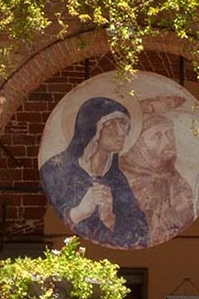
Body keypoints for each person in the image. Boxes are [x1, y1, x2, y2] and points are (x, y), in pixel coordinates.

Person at [39, 95, 148, 249]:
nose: (121, 132)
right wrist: (79, 211)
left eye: (123, 124)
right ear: (93, 129)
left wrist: (110, 218)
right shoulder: (56, 170)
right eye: (111, 124)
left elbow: (141, 234)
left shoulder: (117, 180)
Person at [121, 99, 198, 244]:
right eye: (157, 136)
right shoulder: (121, 180)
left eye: (169, 134)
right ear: (139, 145)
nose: (168, 141)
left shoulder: (175, 179)